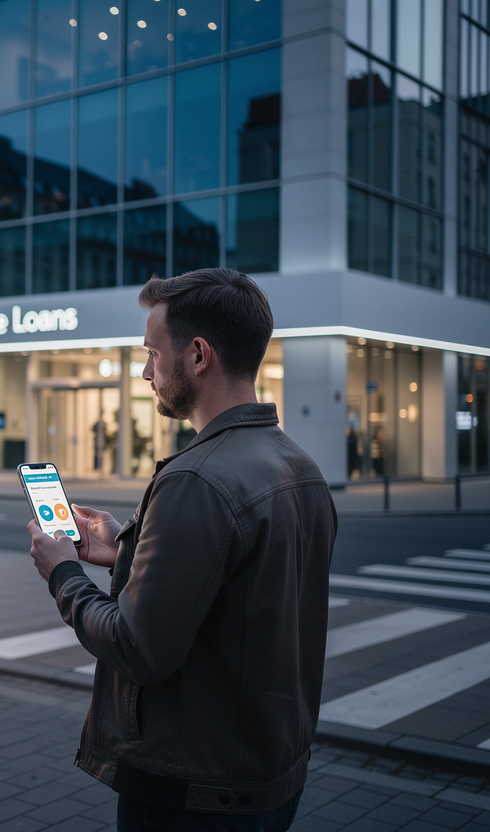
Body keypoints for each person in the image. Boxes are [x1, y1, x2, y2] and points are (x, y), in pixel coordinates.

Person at [27, 268, 336, 832]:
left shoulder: (196, 479)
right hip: (271, 778)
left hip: (190, 791)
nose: (145, 372)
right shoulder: (301, 467)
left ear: (198, 355)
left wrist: (63, 573)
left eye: (152, 353)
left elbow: (137, 646)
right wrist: (127, 549)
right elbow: (240, 597)